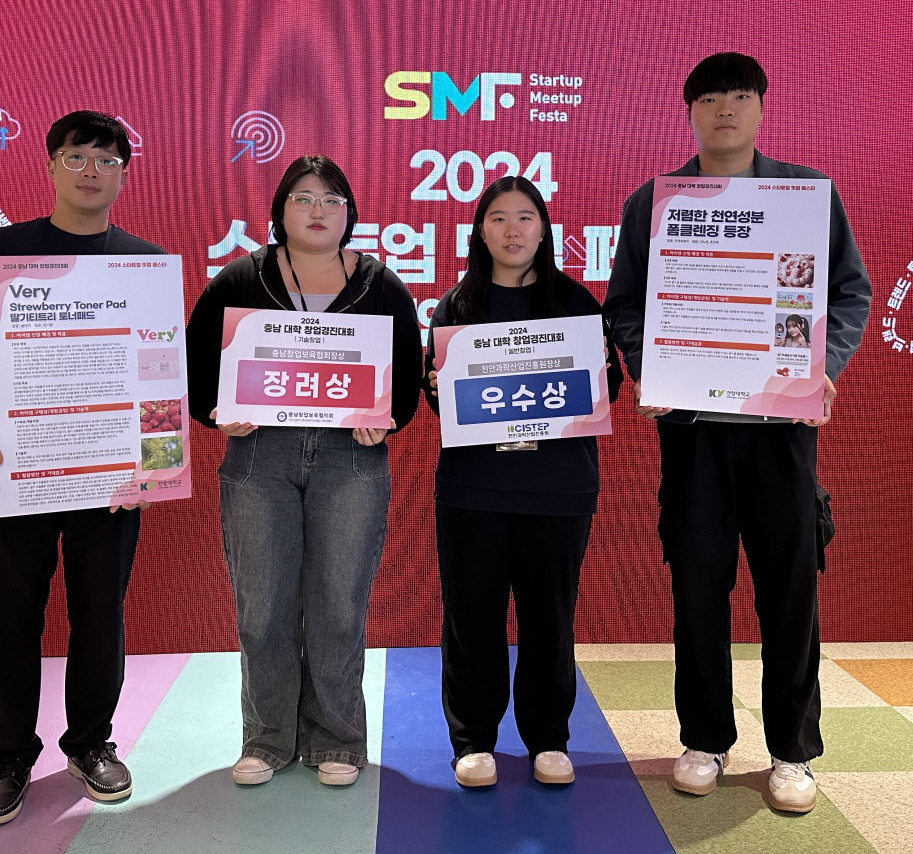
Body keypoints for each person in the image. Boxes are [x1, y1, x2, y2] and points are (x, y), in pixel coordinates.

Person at [604, 53, 871, 814]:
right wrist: (648, 367)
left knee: (790, 591)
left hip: (780, 428)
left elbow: (849, 291)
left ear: (761, 107)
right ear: (690, 111)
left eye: (740, 95)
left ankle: (793, 750)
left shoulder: (806, 195)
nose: (725, 108)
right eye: (711, 97)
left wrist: (824, 366)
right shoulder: (655, 202)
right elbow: (624, 304)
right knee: (697, 589)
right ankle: (704, 739)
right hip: (692, 432)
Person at [0, 111, 164, 827]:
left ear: (123, 174)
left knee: (100, 614)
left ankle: (90, 744)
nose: (90, 171)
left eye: (106, 160)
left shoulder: (140, 263)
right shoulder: (4, 252)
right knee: (8, 618)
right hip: (21, 468)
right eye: (76, 157)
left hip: (110, 478)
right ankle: (9, 756)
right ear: (50, 166)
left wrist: (152, 466)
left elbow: (160, 372)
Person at [185, 155, 422, 788]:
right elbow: (196, 367)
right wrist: (217, 414)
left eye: (331, 200)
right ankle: (266, 739)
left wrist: (388, 421)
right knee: (263, 606)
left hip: (352, 459)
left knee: (339, 605)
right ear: (280, 210)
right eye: (303, 199)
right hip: (259, 457)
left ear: (349, 212)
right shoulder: (241, 278)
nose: (318, 211)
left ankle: (337, 739)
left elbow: (405, 375)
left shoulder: (380, 283)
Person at [423, 177, 623, 789]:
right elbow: (443, 404)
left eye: (525, 217)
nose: (512, 229)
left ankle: (549, 738)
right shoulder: (455, 307)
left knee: (549, 620)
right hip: (474, 490)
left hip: (557, 490)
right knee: (471, 618)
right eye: (498, 218)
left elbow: (606, 390)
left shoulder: (577, 303)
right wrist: (435, 388)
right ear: (480, 232)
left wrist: (602, 371)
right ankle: (473, 740)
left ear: (543, 229)